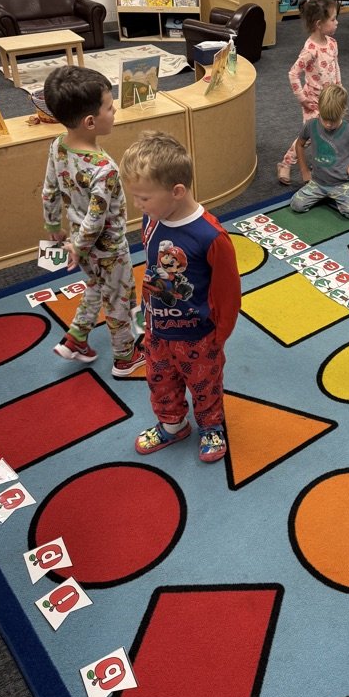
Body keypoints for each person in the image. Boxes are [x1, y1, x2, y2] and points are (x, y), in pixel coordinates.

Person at [119, 131, 241, 462]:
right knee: (160, 381)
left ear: (177, 192)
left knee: (205, 386)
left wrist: (220, 333)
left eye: (143, 198)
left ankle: (211, 425)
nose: (137, 205)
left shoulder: (211, 236)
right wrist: (146, 314)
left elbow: (229, 293)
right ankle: (173, 425)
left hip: (199, 335)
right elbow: (152, 267)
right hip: (158, 330)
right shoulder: (152, 218)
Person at [41, 66, 144, 377]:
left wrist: (54, 229)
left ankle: (76, 338)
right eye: (109, 107)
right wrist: (78, 246)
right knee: (118, 297)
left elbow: (49, 191)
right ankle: (125, 357)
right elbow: (97, 219)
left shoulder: (58, 145)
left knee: (96, 287)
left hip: (78, 240)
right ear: (90, 122)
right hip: (109, 248)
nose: (114, 112)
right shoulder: (105, 168)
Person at [278, 0, 342, 185]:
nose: (337, 23)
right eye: (333, 19)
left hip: (330, 101)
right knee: (307, 137)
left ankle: (320, 166)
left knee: (328, 133)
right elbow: (293, 74)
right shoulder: (310, 49)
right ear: (318, 24)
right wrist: (302, 98)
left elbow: (335, 67)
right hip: (313, 102)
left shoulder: (332, 43)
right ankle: (286, 163)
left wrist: (340, 90)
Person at [290, 86, 349, 218]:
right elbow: (299, 144)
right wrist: (304, 170)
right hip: (317, 182)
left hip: (340, 184)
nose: (328, 124)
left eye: (333, 120)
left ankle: (333, 196)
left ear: (344, 112)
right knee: (296, 205)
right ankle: (323, 196)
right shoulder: (311, 125)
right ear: (319, 109)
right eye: (324, 118)